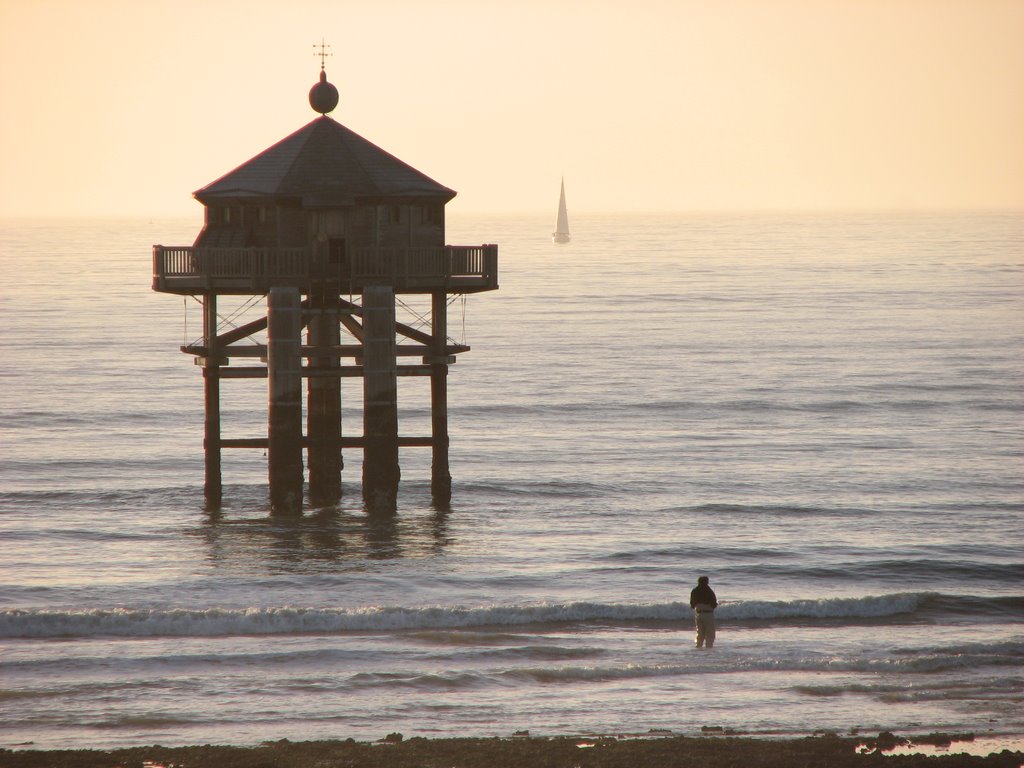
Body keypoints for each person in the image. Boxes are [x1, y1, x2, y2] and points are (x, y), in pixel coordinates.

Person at [689, 575, 718, 648]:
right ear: (706, 582)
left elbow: (692, 605)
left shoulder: (694, 591)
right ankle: (708, 649)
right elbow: (714, 604)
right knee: (710, 634)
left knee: (700, 634)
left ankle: (698, 649)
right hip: (708, 613)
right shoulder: (709, 591)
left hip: (698, 613)